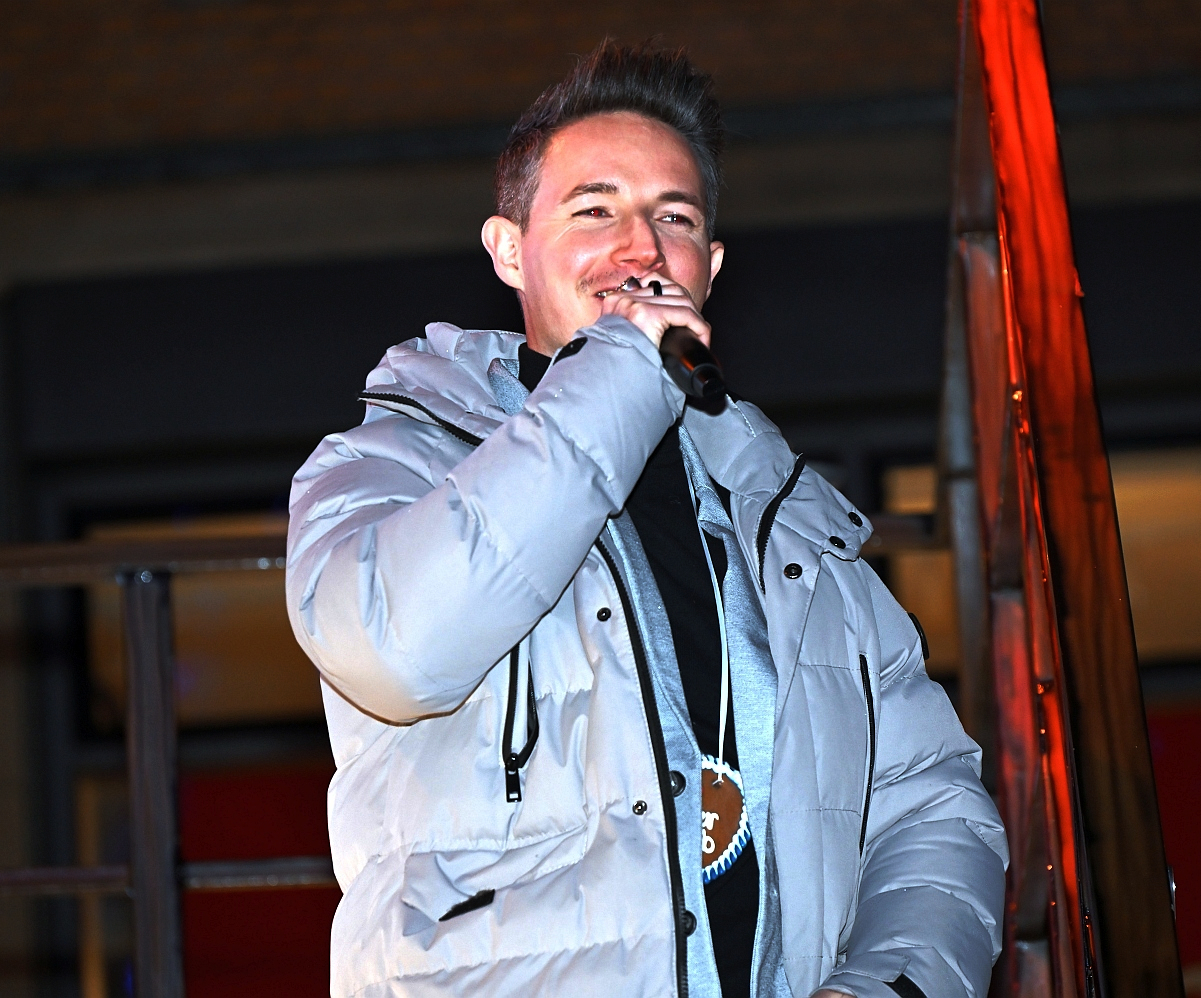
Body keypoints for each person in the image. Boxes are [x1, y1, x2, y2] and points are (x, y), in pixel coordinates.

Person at [286, 41, 1007, 998]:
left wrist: (878, 986)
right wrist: (622, 364)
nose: (640, 250)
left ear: (709, 266)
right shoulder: (390, 465)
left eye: (674, 218)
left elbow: (934, 806)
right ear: (508, 250)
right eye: (595, 211)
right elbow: (395, 647)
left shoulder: (788, 524)